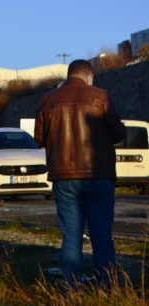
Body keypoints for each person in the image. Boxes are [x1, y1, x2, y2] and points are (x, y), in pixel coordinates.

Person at [34, 59, 126, 289]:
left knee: (71, 237)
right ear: (90, 76)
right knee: (102, 236)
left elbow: (39, 138)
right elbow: (117, 134)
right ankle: (107, 289)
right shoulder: (101, 96)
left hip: (64, 176)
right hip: (98, 173)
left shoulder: (47, 100)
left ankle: (71, 290)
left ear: (68, 76)